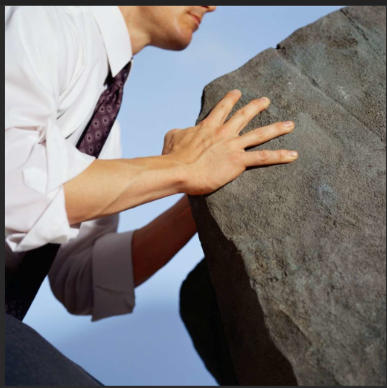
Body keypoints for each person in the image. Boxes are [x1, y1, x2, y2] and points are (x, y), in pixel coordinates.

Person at [5, 6, 298, 385]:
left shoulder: (106, 121)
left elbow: (83, 279)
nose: (212, 5)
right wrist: (182, 168)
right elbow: (12, 187)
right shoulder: (43, 19)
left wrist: (202, 198)